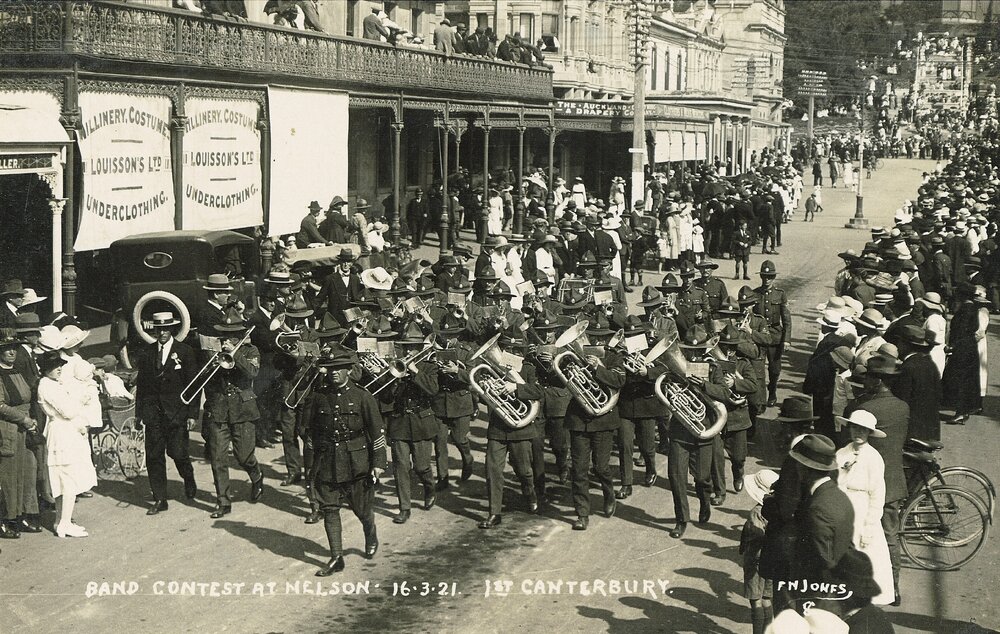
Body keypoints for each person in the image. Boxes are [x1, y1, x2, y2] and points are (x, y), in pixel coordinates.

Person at [307, 350, 386, 577]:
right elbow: (310, 432)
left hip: (356, 463)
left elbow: (377, 432)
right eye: (330, 369)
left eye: (339, 369)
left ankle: (370, 533)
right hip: (328, 461)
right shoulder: (319, 396)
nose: (334, 373)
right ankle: (336, 557)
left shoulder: (363, 397)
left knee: (362, 510)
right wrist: (311, 466)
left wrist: (378, 463)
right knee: (330, 509)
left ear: (349, 370)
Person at [845, 354, 908, 606]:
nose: (865, 382)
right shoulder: (903, 406)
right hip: (892, 480)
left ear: (877, 380)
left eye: (869, 377)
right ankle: (894, 587)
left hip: (864, 481)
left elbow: (847, 443)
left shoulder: (862, 409)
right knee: (890, 535)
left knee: (857, 533)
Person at [563, 316, 626, 531]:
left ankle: (609, 494)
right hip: (579, 418)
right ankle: (582, 513)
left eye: (602, 339)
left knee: (601, 467)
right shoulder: (573, 356)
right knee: (579, 470)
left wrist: (598, 368)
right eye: (593, 338)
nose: (597, 343)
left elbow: (619, 381)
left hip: (604, 419)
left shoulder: (614, 357)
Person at [135, 312, 198, 515]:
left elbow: (193, 385)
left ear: (172, 329)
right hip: (153, 413)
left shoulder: (185, 352)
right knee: (154, 456)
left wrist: (192, 414)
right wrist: (139, 414)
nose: (161, 333)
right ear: (153, 330)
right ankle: (160, 498)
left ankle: (188, 477)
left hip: (176, 412)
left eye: (165, 329)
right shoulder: (146, 353)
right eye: (158, 329)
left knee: (178, 453)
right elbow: (142, 386)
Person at [203, 313, 265, 518]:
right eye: (224, 335)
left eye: (233, 335)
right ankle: (223, 501)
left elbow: (252, 374)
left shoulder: (250, 350)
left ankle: (256, 476)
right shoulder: (212, 350)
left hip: (243, 410)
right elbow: (203, 379)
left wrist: (235, 355)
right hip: (219, 410)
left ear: (241, 334)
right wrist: (211, 365)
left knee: (244, 456)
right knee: (218, 457)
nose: (228, 339)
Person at [833, 410, 895, 606]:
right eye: (854, 427)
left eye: (863, 430)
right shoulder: (842, 453)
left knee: (863, 552)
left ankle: (862, 597)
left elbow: (877, 494)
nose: (858, 432)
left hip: (862, 508)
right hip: (842, 505)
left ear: (869, 433)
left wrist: (870, 525)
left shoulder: (873, 458)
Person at [789, 433, 855, 612]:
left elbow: (824, 560)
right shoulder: (839, 496)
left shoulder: (817, 507)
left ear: (805, 469)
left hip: (820, 594)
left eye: (798, 464)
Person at [36, 351, 97, 537]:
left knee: (66, 480)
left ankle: (61, 521)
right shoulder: (47, 386)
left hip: (67, 432)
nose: (59, 369)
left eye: (60, 365)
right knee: (67, 479)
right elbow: (68, 411)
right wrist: (81, 400)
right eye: (54, 367)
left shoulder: (55, 384)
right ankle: (64, 523)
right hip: (62, 433)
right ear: (45, 369)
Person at [0, 330, 41, 537]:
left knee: (28, 472)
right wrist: (23, 419)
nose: (10, 352)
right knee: (9, 476)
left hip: (25, 428)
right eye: (6, 349)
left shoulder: (16, 371)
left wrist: (31, 421)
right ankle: (7, 520)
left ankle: (24, 515)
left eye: (13, 348)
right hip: (8, 430)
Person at [942, 283, 989, 424]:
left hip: (962, 349)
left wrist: (952, 346)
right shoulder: (973, 309)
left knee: (960, 380)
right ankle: (965, 410)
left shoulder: (965, 310)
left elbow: (960, 331)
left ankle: (961, 412)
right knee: (967, 379)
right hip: (969, 348)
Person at [741, 469, 779, 634]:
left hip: (756, 560)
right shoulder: (776, 509)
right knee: (767, 598)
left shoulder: (757, 513)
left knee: (755, 599)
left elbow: (755, 538)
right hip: (771, 559)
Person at [753, 260, 791, 406]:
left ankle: (773, 390)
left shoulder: (780, 294)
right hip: (760, 336)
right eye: (764, 276)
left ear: (774, 278)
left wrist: (786, 339)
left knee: (774, 369)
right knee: (758, 369)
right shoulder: (755, 294)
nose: (766, 279)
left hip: (775, 336)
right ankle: (761, 397)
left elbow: (786, 319)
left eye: (769, 277)